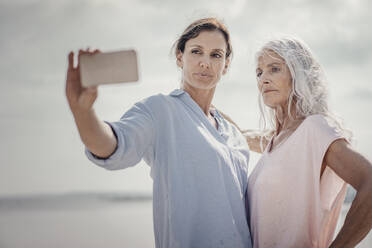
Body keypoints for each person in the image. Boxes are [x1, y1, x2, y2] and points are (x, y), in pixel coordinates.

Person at [65, 18, 252, 248]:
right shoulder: (160, 111)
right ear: (180, 57)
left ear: (226, 65)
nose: (206, 62)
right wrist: (83, 112)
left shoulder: (235, 137)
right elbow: (111, 145)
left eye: (216, 55)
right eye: (196, 51)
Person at [242, 37, 372, 247]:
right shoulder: (274, 141)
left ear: (297, 74)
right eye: (259, 72)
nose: (263, 78)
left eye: (274, 69)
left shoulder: (314, 128)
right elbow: (240, 134)